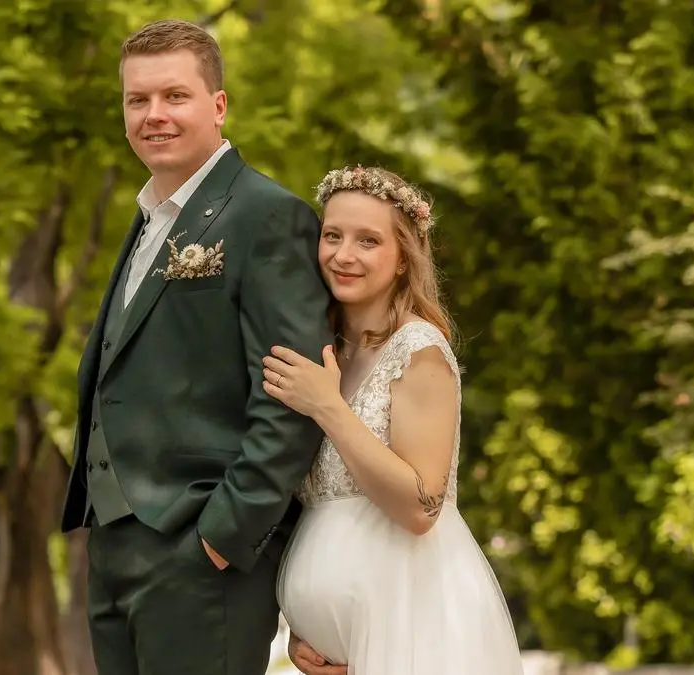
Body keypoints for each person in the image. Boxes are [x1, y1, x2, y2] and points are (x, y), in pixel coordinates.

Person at [58, 18, 333, 675]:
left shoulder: (265, 215)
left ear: (218, 105)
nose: (153, 114)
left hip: (201, 554)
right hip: (113, 547)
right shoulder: (148, 220)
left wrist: (222, 536)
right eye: (137, 100)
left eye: (174, 96)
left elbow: (294, 397)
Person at [264, 166, 525, 675]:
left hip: (412, 625)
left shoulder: (419, 351)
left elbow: (421, 508)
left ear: (403, 257)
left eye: (368, 241)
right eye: (332, 236)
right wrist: (306, 626)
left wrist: (328, 408)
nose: (343, 255)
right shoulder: (321, 351)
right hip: (336, 652)